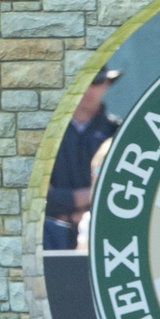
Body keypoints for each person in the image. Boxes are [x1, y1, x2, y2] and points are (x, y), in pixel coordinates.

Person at [45, 69, 120, 250]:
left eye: (96, 81)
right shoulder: (44, 135)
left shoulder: (120, 134)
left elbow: (124, 192)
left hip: (107, 238)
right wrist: (89, 196)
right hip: (50, 240)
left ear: (107, 84)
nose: (87, 89)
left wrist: (76, 212)